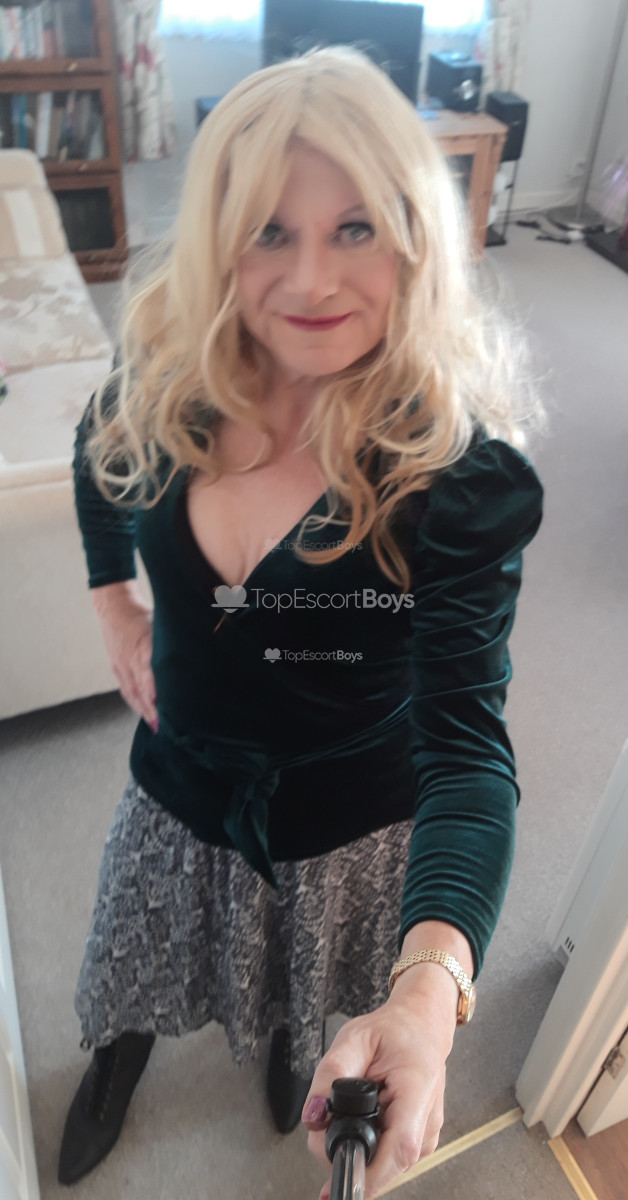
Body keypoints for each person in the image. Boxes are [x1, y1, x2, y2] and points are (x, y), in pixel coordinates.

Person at [59, 45, 545, 1200]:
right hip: (175, 784)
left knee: (296, 988)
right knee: (131, 965)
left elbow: (468, 752)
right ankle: (118, 1055)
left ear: (412, 237)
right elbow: (92, 456)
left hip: (344, 821)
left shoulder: (457, 476)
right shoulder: (169, 375)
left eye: (354, 228)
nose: (312, 278)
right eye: (269, 232)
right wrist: (113, 603)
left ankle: (285, 1043)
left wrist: (426, 991)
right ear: (218, 241)